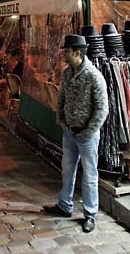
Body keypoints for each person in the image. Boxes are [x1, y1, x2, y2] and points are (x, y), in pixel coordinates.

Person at [43, 34, 108, 233]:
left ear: (77, 52)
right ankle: (64, 205)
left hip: (86, 136)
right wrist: (60, 119)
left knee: (89, 175)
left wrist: (88, 131)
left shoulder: (93, 75)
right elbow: (61, 96)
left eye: (66, 51)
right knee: (67, 170)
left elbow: (102, 108)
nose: (63, 54)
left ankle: (90, 214)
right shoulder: (67, 72)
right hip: (70, 132)